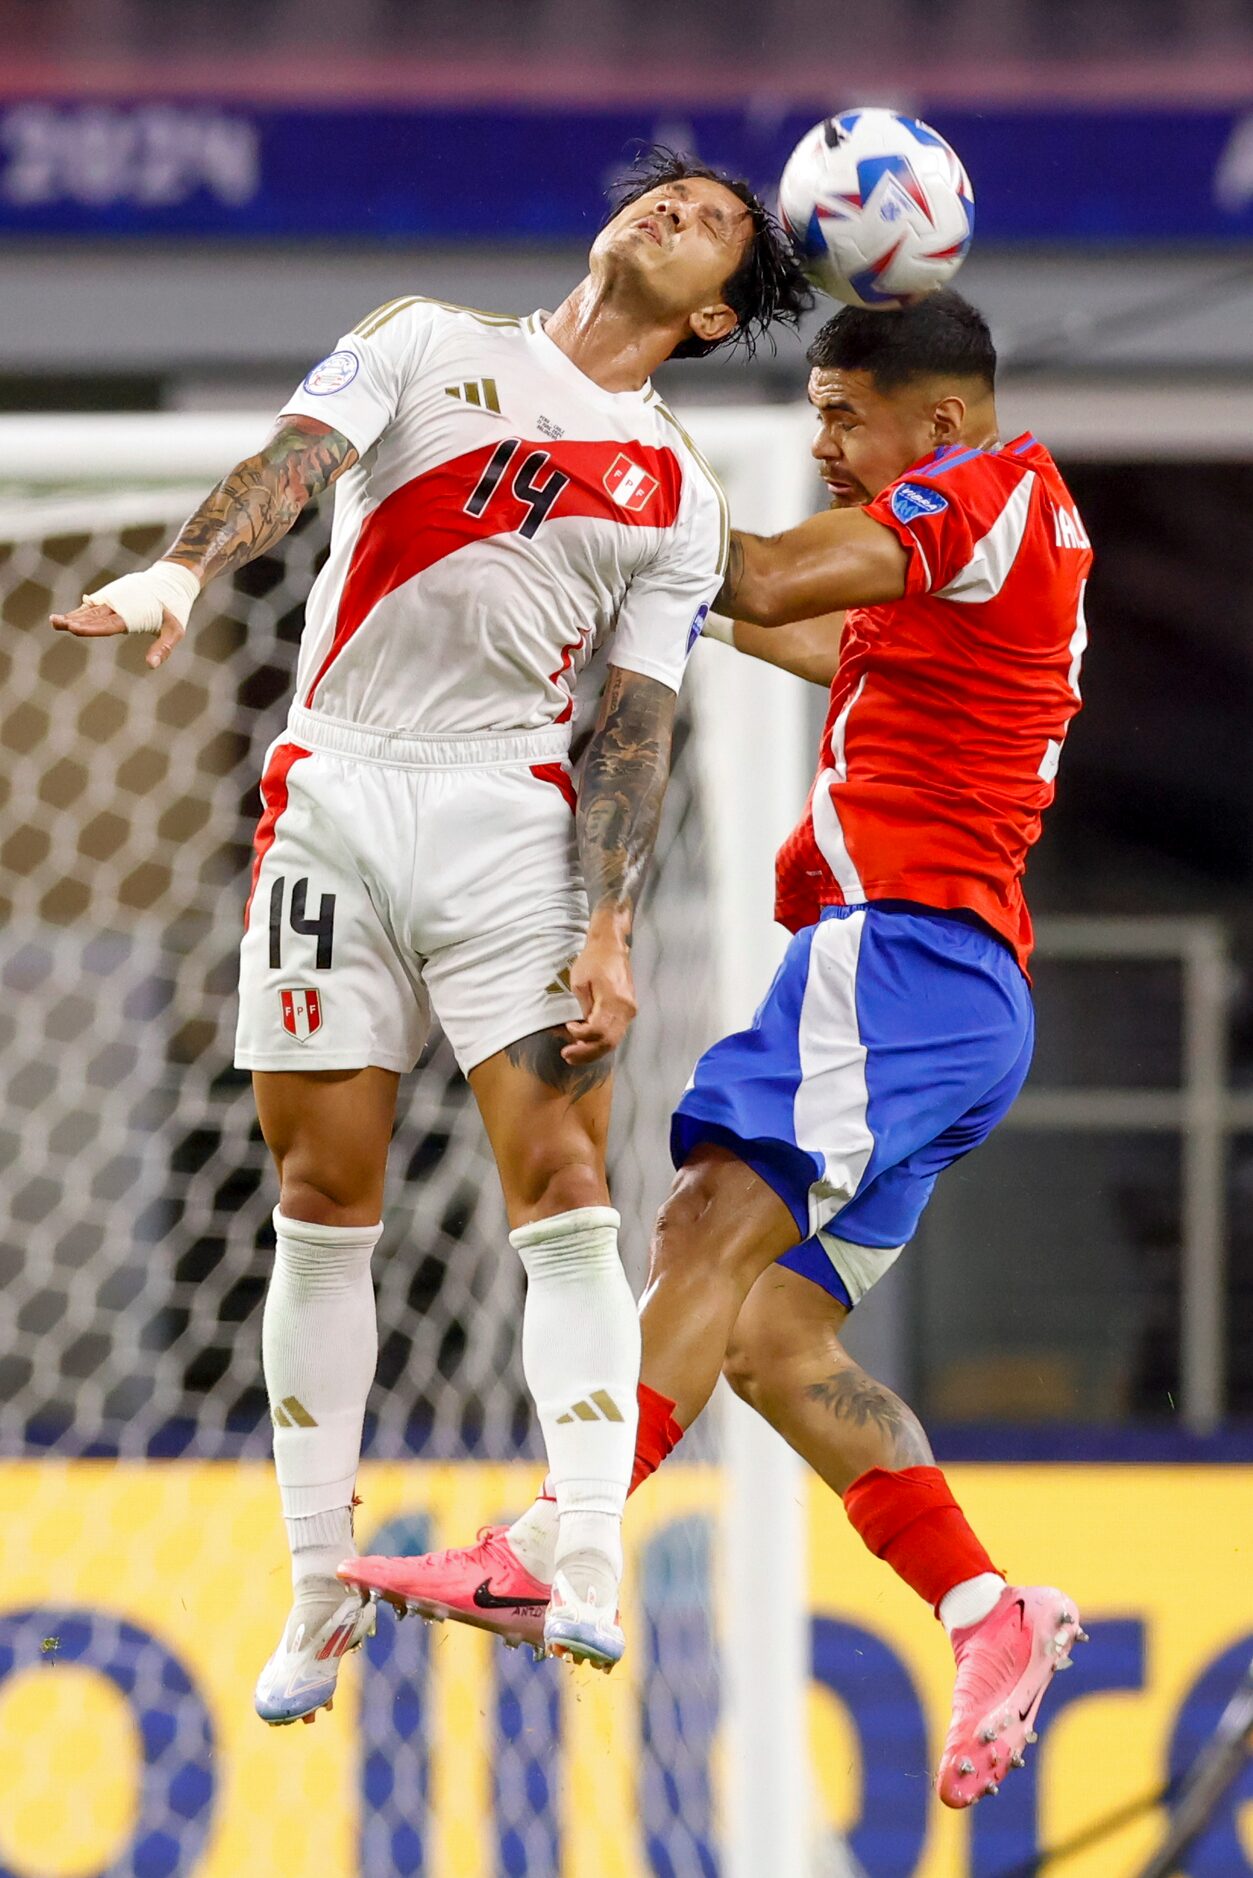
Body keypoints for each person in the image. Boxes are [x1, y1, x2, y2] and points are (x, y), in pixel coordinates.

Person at [49, 148, 812, 1721]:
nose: (674, 207)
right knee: (322, 1195)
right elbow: (294, 459)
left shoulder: (673, 484)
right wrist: (181, 575)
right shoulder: (425, 338)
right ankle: (321, 1581)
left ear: (722, 309)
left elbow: (642, 711)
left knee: (572, 1186)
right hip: (333, 793)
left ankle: (584, 1550)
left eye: (714, 219)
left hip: (513, 823)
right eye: (664, 191)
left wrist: (607, 918)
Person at [341, 290, 1092, 1806]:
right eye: (812, 414)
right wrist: (633, 582)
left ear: (935, 421)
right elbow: (764, 613)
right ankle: (982, 1603)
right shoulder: (971, 559)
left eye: (839, 414)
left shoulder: (985, 489)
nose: (821, 444)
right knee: (765, 1332)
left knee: (697, 1229)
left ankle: (564, 1535)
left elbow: (744, 565)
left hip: (901, 955)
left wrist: (609, 407)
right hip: (954, 987)